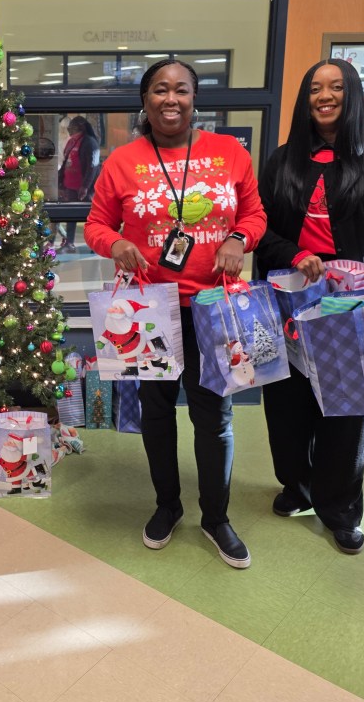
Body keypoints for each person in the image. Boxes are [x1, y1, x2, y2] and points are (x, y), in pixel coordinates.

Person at [85, 60, 266, 568]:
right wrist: (116, 242)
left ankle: (216, 517)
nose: (171, 99)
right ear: (145, 101)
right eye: (160, 90)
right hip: (150, 308)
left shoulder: (229, 153)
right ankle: (168, 505)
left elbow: (255, 213)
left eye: (181, 90)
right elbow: (96, 224)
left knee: (215, 417)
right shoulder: (122, 161)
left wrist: (238, 238)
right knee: (158, 413)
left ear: (194, 98)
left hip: (213, 307)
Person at [256, 58, 364, 554]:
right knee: (287, 405)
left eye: (337, 87)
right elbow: (260, 229)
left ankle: (340, 507)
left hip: (350, 305)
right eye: (315, 88)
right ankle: (297, 485)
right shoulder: (282, 161)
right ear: (305, 100)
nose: (325, 96)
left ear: (353, 97)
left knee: (345, 408)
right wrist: (293, 254)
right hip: (288, 298)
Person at [56, 116, 100, 252]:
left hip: (86, 188)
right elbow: (66, 162)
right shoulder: (72, 141)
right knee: (71, 215)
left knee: (91, 216)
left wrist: (85, 186)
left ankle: (95, 243)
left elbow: (93, 167)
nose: (69, 130)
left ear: (80, 127)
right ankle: (69, 243)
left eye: (72, 127)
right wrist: (60, 182)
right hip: (70, 186)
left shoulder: (90, 143)